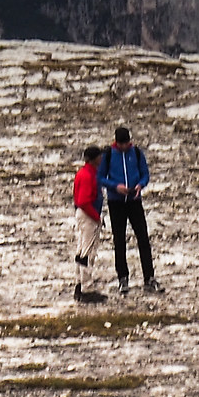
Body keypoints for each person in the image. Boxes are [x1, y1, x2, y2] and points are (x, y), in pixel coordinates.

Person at [100, 126, 159, 294]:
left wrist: (141, 184)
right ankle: (122, 278)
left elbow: (145, 174)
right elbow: (101, 177)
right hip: (115, 202)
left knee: (143, 238)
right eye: (122, 144)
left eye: (127, 143)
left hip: (134, 200)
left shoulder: (137, 153)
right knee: (119, 240)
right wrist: (115, 187)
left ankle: (149, 277)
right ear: (116, 143)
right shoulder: (109, 155)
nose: (125, 146)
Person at [70, 144, 105, 301]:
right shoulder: (88, 175)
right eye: (99, 156)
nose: (101, 158)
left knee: (81, 249)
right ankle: (87, 288)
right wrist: (96, 217)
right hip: (88, 215)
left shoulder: (85, 172)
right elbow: (84, 201)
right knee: (88, 252)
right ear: (94, 159)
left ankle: (79, 285)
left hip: (83, 214)